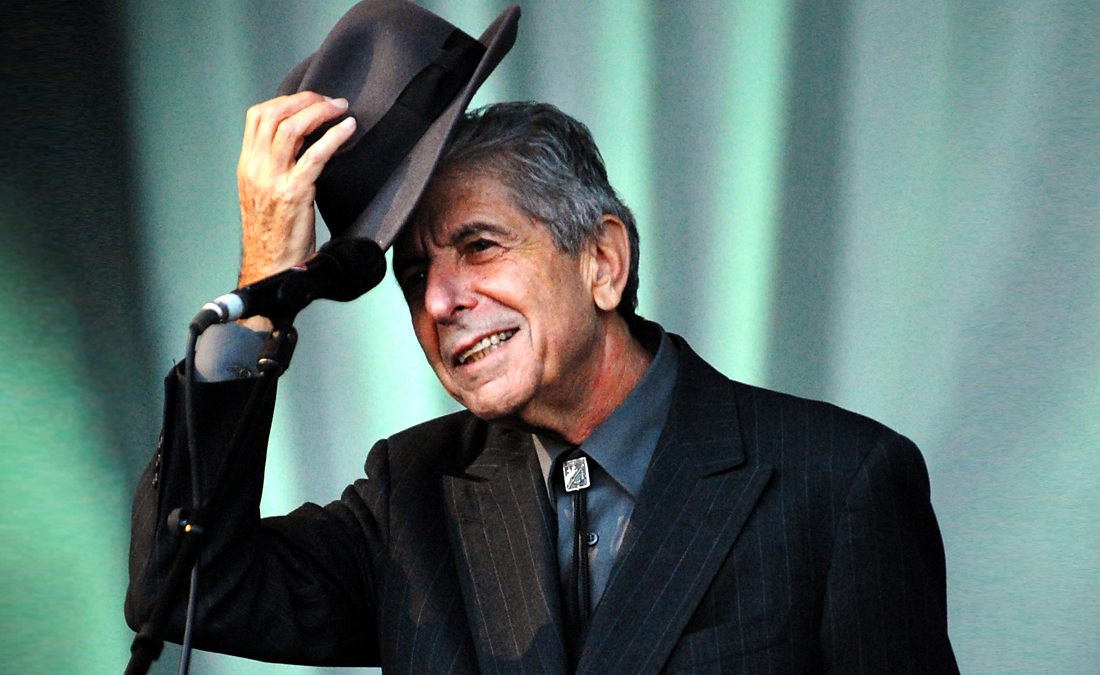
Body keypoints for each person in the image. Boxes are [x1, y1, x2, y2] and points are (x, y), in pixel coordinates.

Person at [126, 4, 959, 674]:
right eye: (413, 277)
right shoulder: (412, 499)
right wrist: (265, 285)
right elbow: (188, 587)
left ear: (602, 261)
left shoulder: (838, 484)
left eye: (480, 246)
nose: (441, 300)